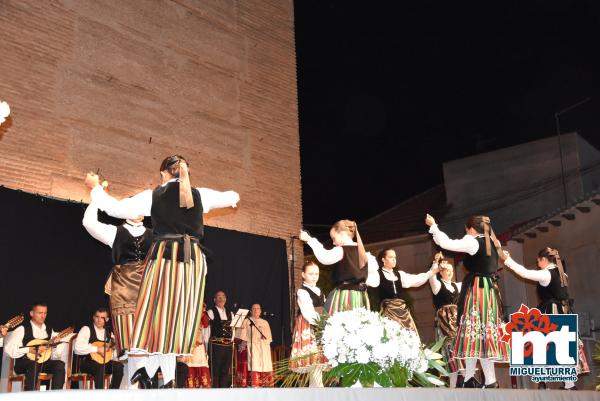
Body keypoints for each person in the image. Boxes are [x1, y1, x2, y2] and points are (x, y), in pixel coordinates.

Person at [85, 155, 239, 388]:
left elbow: (114, 208)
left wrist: (95, 188)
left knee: (152, 312)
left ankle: (146, 370)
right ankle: (160, 376)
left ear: (163, 174)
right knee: (176, 317)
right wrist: (232, 199)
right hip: (192, 261)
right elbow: (231, 196)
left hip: (166, 257)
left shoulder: (153, 196)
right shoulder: (200, 194)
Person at [425, 214, 507, 388]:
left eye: (466, 230)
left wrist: (433, 226)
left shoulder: (473, 241)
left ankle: (488, 380)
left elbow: (447, 243)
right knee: (476, 334)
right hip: (489, 290)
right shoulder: (492, 243)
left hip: (478, 289)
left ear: (470, 229)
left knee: (475, 332)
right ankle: (472, 378)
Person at [503, 247, 590, 390]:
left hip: (551, 312)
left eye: (538, 261)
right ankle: (568, 384)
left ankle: (544, 381)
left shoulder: (546, 274)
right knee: (562, 346)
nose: (538, 264)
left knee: (544, 345)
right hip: (564, 312)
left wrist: (508, 260)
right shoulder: (563, 274)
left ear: (544, 260)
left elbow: (524, 273)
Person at [82, 186, 152, 360]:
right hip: (124, 289)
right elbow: (88, 223)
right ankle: (132, 384)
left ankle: (148, 382)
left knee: (148, 344)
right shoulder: (115, 232)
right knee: (129, 347)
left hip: (147, 288)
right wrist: (97, 198)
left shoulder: (155, 235)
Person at [299, 220, 379, 314]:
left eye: (334, 238)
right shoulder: (364, 254)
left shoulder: (341, 251)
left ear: (342, 234)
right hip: (360, 295)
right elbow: (375, 279)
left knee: (343, 322)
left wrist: (309, 239)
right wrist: (361, 283)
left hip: (346, 295)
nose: (333, 242)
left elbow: (325, 257)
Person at [3, 303, 66, 391]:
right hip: (24, 363)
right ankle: (31, 396)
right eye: (40, 313)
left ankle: (55, 395)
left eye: (45, 313)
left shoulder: (49, 330)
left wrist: (54, 346)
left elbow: (54, 355)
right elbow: (9, 349)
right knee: (34, 365)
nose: (43, 316)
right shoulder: (22, 329)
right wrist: (28, 349)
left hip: (43, 363)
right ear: (32, 313)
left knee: (59, 364)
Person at [377, 248, 437, 334]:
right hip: (388, 312)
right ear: (383, 259)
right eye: (391, 257)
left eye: (395, 257)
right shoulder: (378, 274)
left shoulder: (399, 274)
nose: (394, 259)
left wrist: (432, 272)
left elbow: (416, 280)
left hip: (402, 311)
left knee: (409, 333)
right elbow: (367, 279)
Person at [289, 261, 327, 387]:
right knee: (313, 359)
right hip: (309, 324)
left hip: (320, 324)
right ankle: (317, 388)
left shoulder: (320, 291)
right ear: (303, 275)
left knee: (318, 361)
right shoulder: (302, 291)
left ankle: (316, 387)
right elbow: (308, 312)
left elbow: (325, 308)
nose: (314, 276)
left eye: (316, 273)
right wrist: (322, 323)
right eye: (311, 273)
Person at [428, 252, 463, 388]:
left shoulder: (456, 286)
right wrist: (435, 262)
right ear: (440, 272)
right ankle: (453, 385)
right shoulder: (437, 285)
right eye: (446, 270)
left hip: (457, 320)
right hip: (445, 321)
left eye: (451, 270)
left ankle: (466, 379)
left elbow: (469, 284)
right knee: (450, 349)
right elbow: (431, 276)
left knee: (460, 347)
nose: (449, 272)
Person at [74, 307, 124, 389]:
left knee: (119, 367)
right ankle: (100, 396)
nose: (99, 320)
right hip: (87, 363)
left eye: (102, 318)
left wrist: (114, 351)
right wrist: (97, 349)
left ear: (107, 319)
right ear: (93, 317)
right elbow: (77, 348)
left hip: (103, 362)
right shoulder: (86, 329)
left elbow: (113, 354)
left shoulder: (109, 334)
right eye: (97, 317)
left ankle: (113, 393)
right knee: (100, 368)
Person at [240, 304, 273, 387]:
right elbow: (242, 336)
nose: (256, 310)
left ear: (261, 311)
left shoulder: (265, 322)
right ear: (250, 311)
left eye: (258, 308)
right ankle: (255, 383)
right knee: (254, 363)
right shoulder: (247, 321)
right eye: (254, 308)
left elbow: (269, 338)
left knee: (265, 363)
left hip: (264, 347)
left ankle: (266, 383)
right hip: (252, 346)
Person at [207, 291, 234, 388]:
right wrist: (207, 345)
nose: (221, 298)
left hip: (228, 346)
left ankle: (224, 393)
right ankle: (215, 393)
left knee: (225, 370)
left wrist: (232, 341)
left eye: (223, 296)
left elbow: (233, 329)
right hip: (216, 345)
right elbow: (207, 330)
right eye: (218, 296)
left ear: (226, 299)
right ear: (214, 300)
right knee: (215, 370)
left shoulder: (230, 313)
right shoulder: (211, 312)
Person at [179, 305, 211, 388]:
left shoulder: (202, 315)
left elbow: (206, 323)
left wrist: (203, 313)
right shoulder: (185, 316)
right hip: (188, 345)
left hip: (199, 346)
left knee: (200, 364)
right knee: (189, 365)